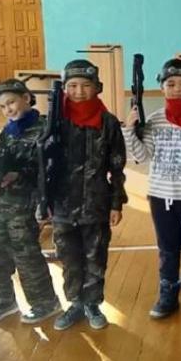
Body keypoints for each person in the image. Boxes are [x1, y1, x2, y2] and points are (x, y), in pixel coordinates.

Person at [123, 59, 181, 319]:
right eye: (171, 84)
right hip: (160, 197)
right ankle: (168, 293)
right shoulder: (155, 120)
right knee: (167, 248)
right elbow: (142, 156)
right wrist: (129, 130)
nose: (177, 89)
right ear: (162, 87)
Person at [47, 59, 128, 331]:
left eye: (85, 85)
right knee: (69, 258)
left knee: (95, 257)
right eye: (72, 85)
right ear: (64, 88)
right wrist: (43, 202)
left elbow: (117, 168)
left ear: (97, 87)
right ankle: (75, 303)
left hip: (96, 204)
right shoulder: (55, 122)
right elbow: (43, 164)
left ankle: (92, 304)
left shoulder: (108, 123)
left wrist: (116, 203)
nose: (79, 91)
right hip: (62, 206)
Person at [0, 79, 60, 325]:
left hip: (29, 202)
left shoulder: (45, 128)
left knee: (25, 252)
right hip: (4, 202)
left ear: (26, 98)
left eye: (11, 102)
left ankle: (45, 302)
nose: (8, 109)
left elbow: (50, 166)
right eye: (2, 106)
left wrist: (20, 174)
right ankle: (5, 300)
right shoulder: (8, 131)